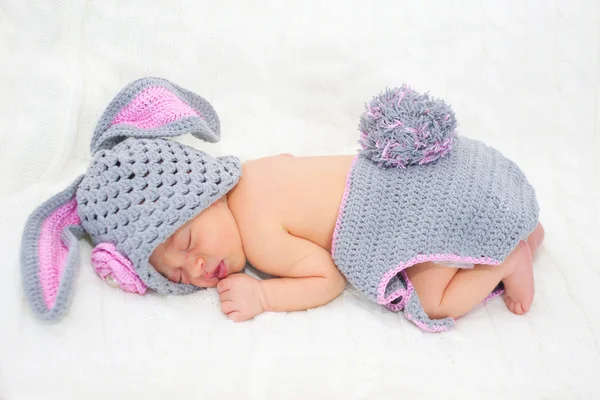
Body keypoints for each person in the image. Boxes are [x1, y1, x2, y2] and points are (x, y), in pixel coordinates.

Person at [21, 77, 543, 332]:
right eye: (177, 274)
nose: (198, 267)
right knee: (459, 236)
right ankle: (513, 229)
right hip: (432, 164)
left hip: (406, 204)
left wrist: (265, 298)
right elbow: (300, 164)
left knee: (434, 300)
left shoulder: (264, 242)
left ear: (202, 189)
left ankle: (507, 257)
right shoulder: (259, 168)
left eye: (185, 241)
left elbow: (328, 279)